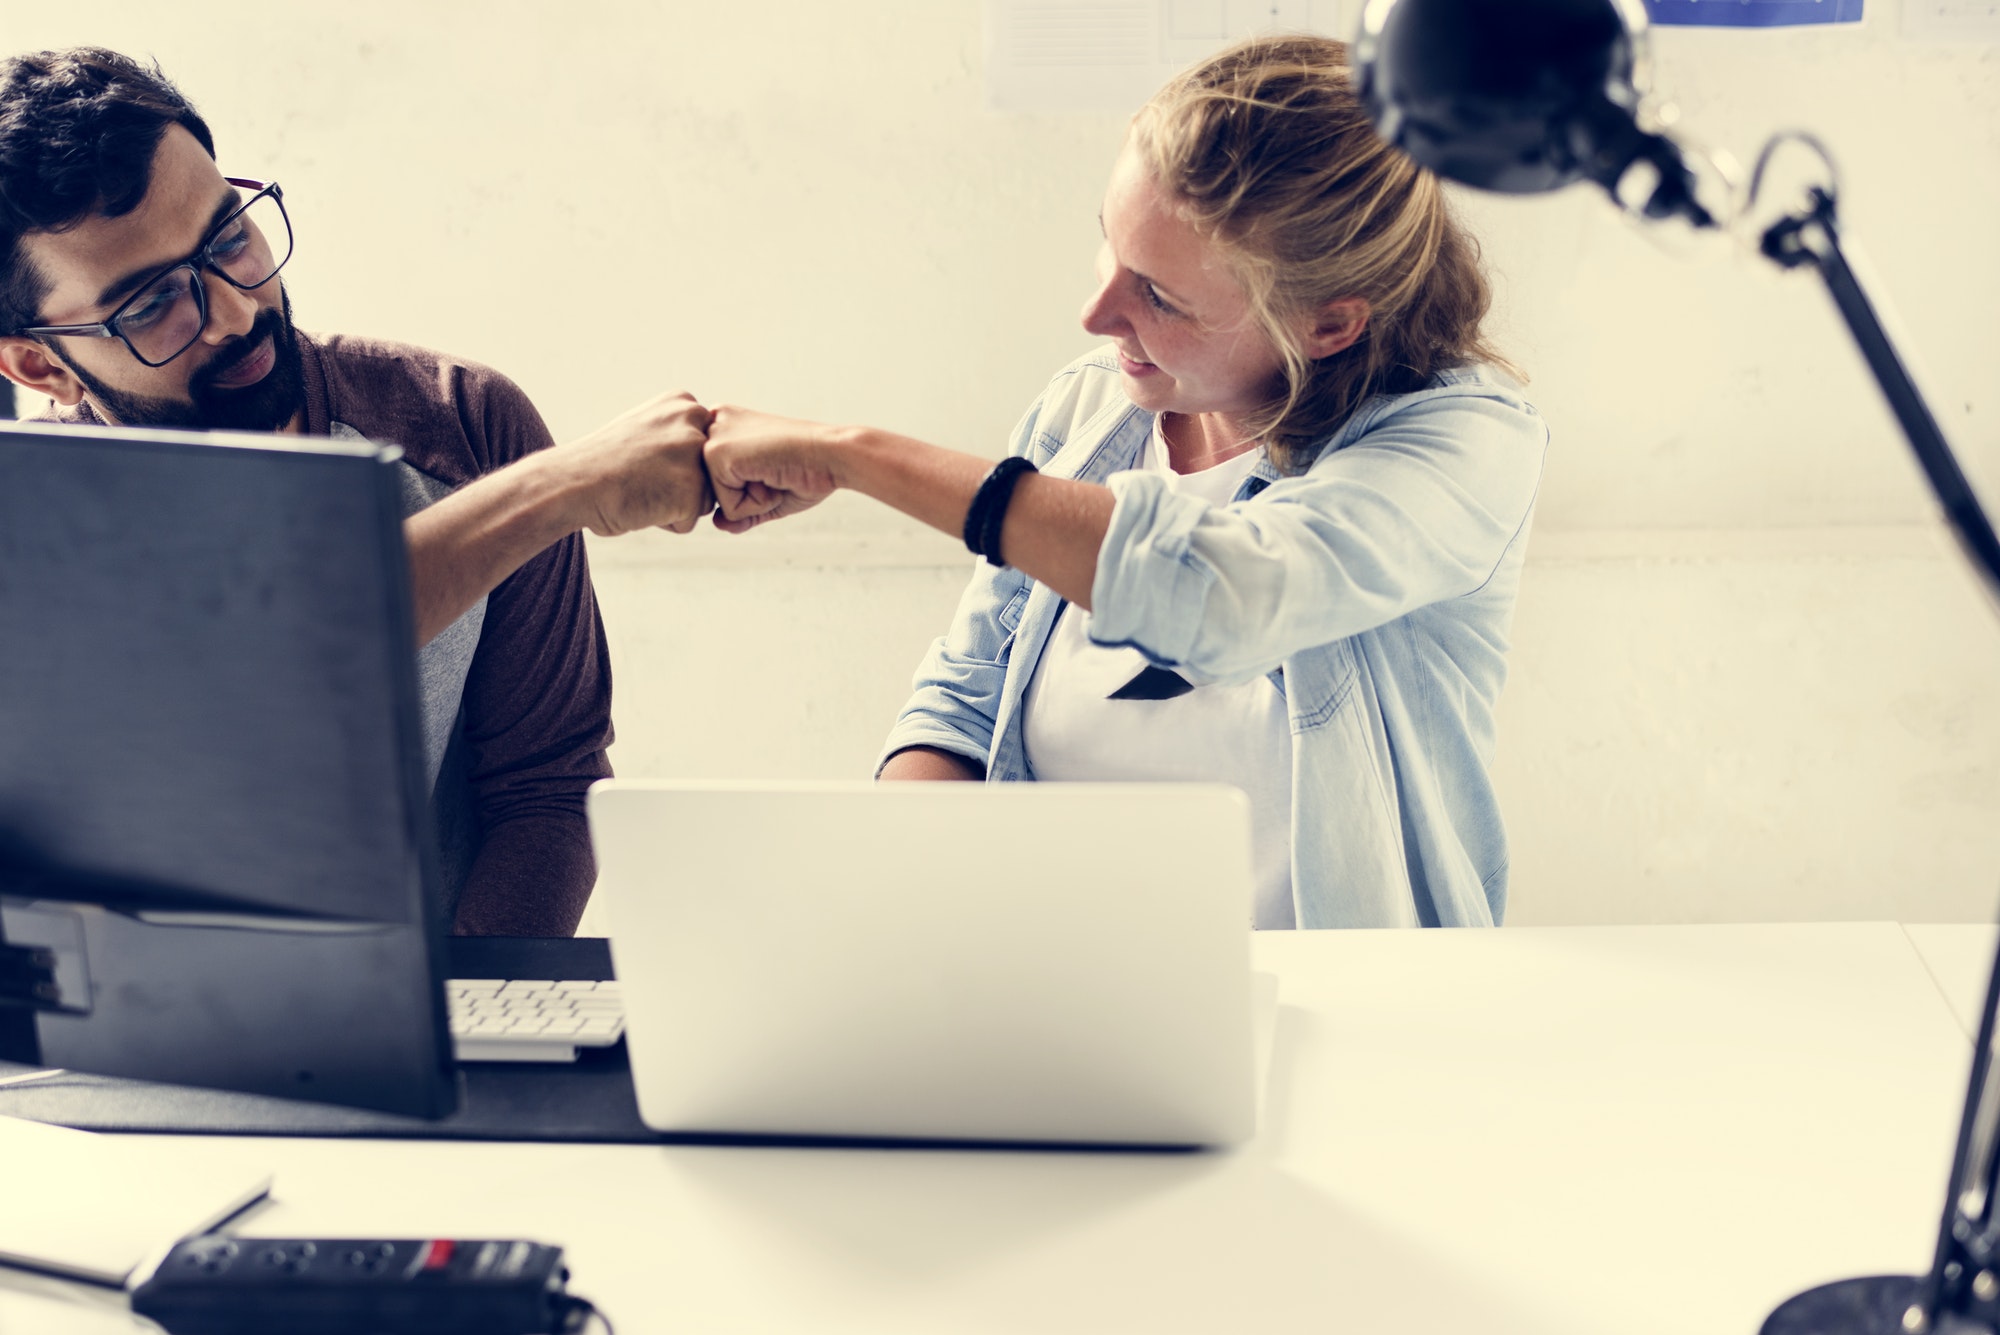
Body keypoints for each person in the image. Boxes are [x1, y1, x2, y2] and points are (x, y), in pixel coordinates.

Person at [701, 35, 1548, 930]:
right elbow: (965, 695)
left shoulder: (1460, 442)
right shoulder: (1086, 408)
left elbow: (1222, 593)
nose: (1096, 314)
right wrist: (890, 905)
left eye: (1159, 296)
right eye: (1109, 248)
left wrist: (854, 455)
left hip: (1350, 1019)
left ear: (1328, 324)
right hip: (1055, 1004)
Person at [0, 48, 714, 936]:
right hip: (108, 1059)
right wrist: (557, 489)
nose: (233, 309)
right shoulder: (26, 525)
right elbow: (249, 665)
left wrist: (463, 1023)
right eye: (150, 305)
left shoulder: (465, 427)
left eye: (231, 239)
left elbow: (546, 787)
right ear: (39, 364)